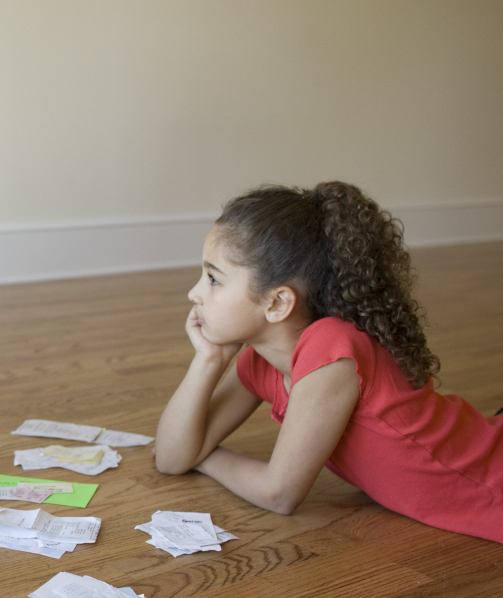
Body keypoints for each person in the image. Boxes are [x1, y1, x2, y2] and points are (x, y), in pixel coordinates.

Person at [154, 181, 502, 543]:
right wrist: (208, 361)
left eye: (213, 279)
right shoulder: (261, 362)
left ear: (277, 304)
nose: (194, 293)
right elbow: (169, 458)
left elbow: (280, 493)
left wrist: (204, 456)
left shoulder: (331, 347)